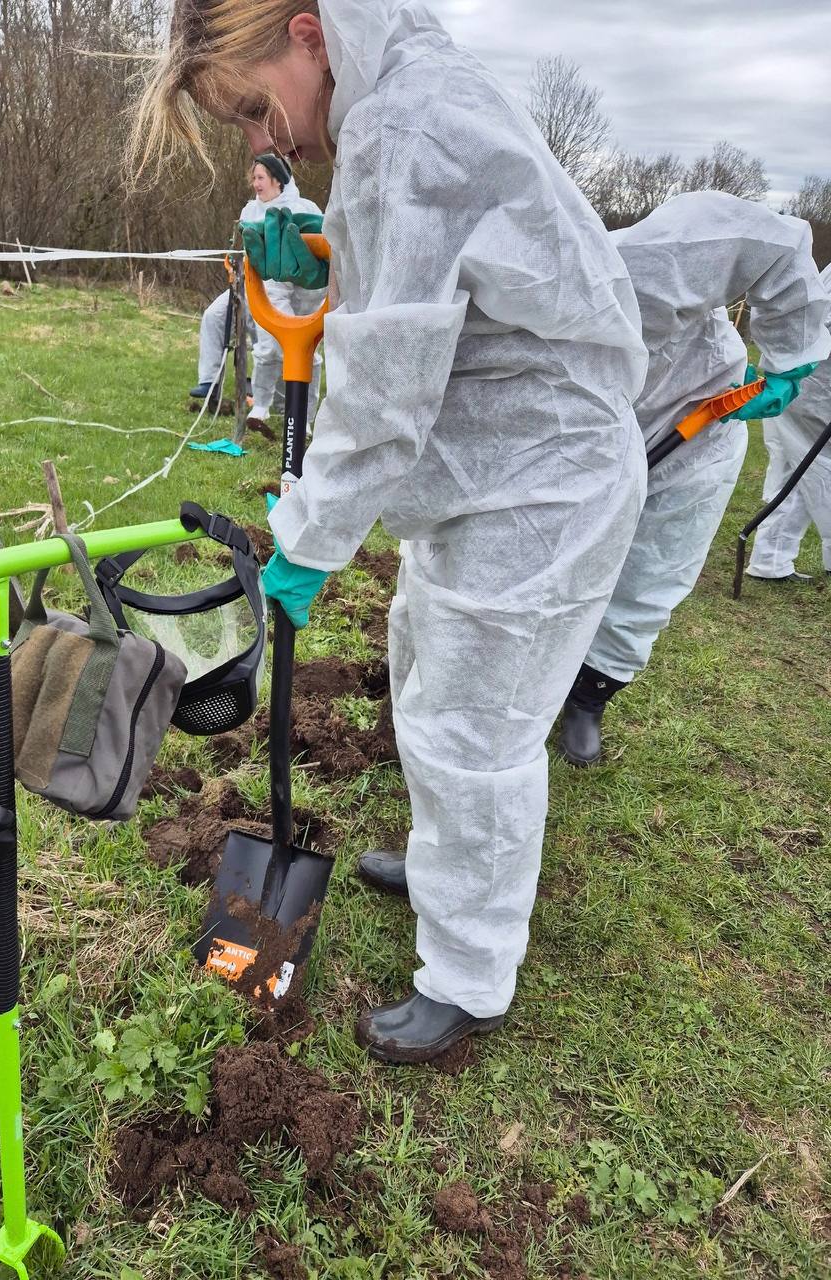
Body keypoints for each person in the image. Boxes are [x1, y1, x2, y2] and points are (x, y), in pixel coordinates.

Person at [132, 0, 650, 1062]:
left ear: (308, 33)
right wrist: (340, 259)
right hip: (496, 473)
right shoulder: (403, 101)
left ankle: (467, 976)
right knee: (425, 668)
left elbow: (378, 406)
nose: (264, 142)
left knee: (477, 727)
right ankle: (448, 857)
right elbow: (437, 281)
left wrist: (306, 545)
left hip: (541, 485)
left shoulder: (400, 126)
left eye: (251, 108)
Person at [556, 192, 831, 769]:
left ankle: (588, 698)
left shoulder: (635, 265)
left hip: (698, 417)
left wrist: (789, 359)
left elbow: (772, 241)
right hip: (586, 436)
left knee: (653, 566)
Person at [189, 152, 326, 430]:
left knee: (287, 349)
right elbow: (242, 251)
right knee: (214, 317)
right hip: (250, 286)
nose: (255, 183)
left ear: (278, 180)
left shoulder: (305, 208)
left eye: (260, 177)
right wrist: (233, 266)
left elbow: (323, 253)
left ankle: (299, 416)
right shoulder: (249, 211)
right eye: (254, 178)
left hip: (297, 294)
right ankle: (209, 383)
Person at [745, 263, 831, 583]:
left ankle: (771, 561)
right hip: (816, 390)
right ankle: (772, 559)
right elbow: (819, 321)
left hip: (807, 386)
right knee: (811, 469)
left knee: (798, 471)